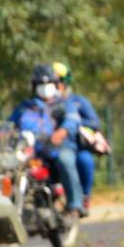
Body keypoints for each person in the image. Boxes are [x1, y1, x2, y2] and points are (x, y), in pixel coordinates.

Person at [8, 64, 85, 219]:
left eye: (48, 83)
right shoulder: (26, 106)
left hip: (59, 147)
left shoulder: (64, 104)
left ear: (55, 84)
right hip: (32, 150)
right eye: (40, 84)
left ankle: (75, 205)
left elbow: (72, 120)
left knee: (65, 161)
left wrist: (62, 131)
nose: (44, 87)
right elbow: (10, 124)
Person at [52, 61, 105, 216]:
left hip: (76, 146)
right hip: (50, 147)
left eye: (56, 82)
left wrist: (73, 123)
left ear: (64, 82)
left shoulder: (78, 102)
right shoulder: (43, 103)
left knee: (85, 160)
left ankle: (84, 197)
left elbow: (94, 122)